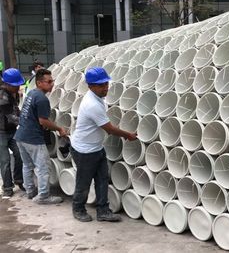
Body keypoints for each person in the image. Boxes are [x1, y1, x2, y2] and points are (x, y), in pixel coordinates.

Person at [71, 67, 137, 222]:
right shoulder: (91, 104)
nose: (105, 87)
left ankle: (103, 211)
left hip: (96, 147)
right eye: (101, 85)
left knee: (102, 179)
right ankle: (78, 209)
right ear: (90, 86)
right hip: (84, 151)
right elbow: (109, 129)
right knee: (84, 181)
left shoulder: (98, 97)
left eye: (106, 83)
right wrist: (128, 135)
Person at [14, 69, 67, 204]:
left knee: (27, 165)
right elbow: (43, 121)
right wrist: (59, 128)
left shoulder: (32, 93)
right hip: (32, 138)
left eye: (52, 81)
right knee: (44, 167)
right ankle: (43, 196)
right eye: (48, 82)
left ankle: (30, 191)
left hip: (21, 135)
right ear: (39, 83)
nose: (52, 84)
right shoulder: (42, 98)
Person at [0, 68, 24, 198]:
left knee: (20, 154)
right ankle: (8, 187)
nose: (18, 87)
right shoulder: (2, 97)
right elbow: (11, 117)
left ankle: (19, 180)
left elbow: (16, 111)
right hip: (1, 133)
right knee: (5, 161)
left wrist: (24, 115)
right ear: (7, 84)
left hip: (12, 131)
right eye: (16, 85)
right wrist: (27, 123)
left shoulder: (13, 93)